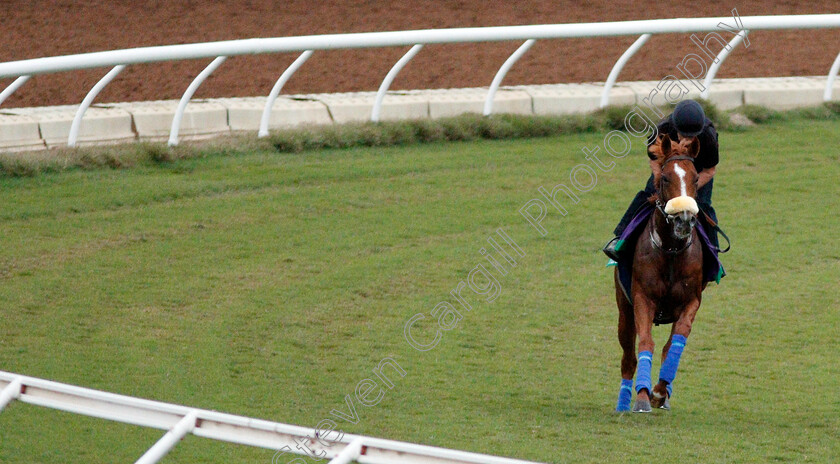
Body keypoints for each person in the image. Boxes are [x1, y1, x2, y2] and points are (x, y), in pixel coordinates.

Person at [603, 99, 720, 261]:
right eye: (684, 135)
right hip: (668, 169)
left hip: (696, 172)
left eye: (692, 137)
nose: (688, 140)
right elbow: (653, 158)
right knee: (647, 196)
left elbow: (710, 170)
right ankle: (620, 239)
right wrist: (660, 179)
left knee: (704, 206)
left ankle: (713, 254)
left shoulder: (708, 137)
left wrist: (686, 188)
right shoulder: (663, 129)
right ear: (675, 129)